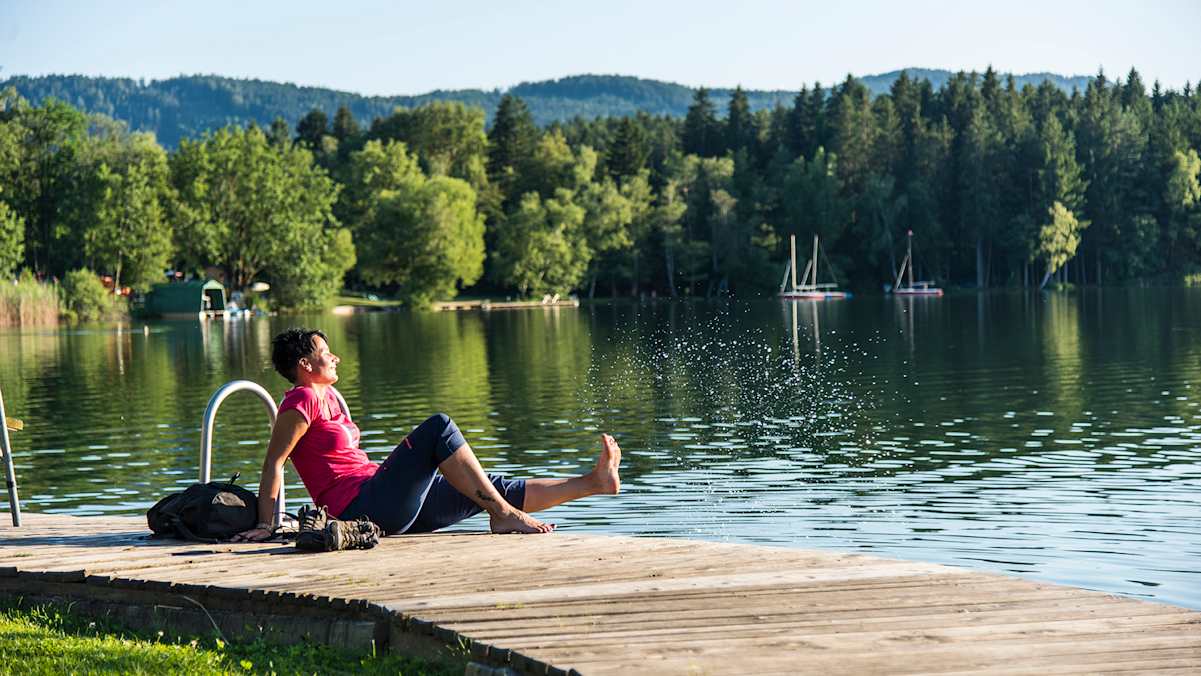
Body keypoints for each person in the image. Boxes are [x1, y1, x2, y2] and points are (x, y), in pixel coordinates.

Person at [232, 328, 621, 542]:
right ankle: (503, 516)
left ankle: (594, 482)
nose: (335, 358)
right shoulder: (300, 400)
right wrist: (269, 525)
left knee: (489, 485)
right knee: (438, 427)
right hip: (359, 508)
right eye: (325, 353)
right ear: (304, 364)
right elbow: (275, 462)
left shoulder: (329, 395)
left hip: (384, 501)